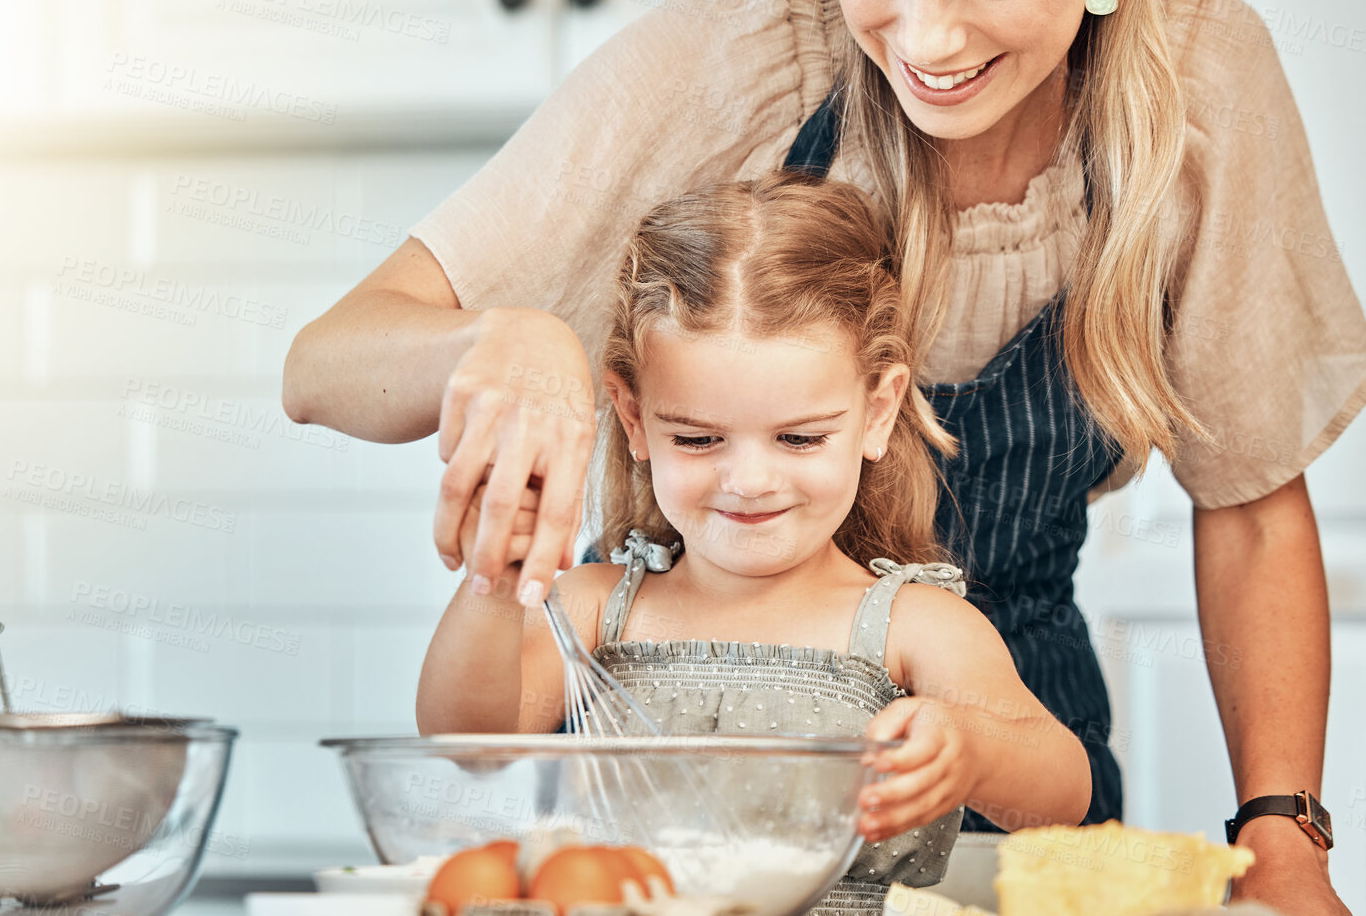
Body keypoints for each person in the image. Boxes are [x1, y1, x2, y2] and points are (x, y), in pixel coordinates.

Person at [283, 0, 1365, 914]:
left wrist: (1282, 833)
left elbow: (1245, 499)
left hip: (1016, 765)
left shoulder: (1200, 84)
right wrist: (503, 339)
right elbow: (326, 361)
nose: (925, 41)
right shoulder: (750, 49)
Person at [417, 172, 1092, 914]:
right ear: (633, 417)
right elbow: (470, 743)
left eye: (799, 438)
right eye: (699, 438)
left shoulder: (909, 624)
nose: (748, 480)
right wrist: (491, 581)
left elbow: (1062, 792)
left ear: (876, 412)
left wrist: (972, 750)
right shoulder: (593, 608)